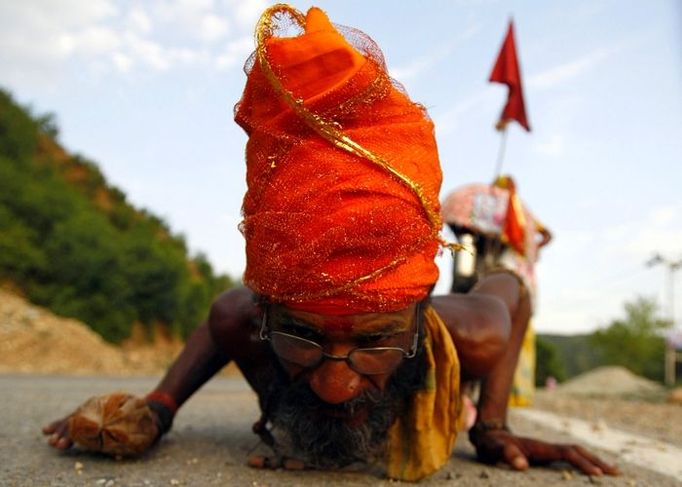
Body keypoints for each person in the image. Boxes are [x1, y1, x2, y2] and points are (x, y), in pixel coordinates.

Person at [42, 5, 618, 481]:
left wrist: (491, 426)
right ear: (266, 315)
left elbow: (511, 288)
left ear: (421, 318)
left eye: (376, 342)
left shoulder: (473, 333)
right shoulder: (243, 319)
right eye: (301, 337)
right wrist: (155, 412)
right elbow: (221, 319)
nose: (336, 386)